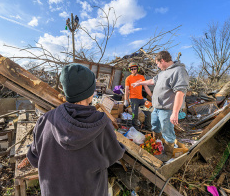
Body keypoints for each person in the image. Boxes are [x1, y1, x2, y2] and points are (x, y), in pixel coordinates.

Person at [27, 63, 125, 196]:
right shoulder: (101, 123)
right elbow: (114, 154)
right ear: (90, 94)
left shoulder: (45, 120)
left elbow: (34, 158)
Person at [132, 51, 189, 162]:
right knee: (154, 126)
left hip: (167, 109)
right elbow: (152, 81)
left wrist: (175, 112)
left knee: (167, 131)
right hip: (157, 108)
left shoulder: (179, 71)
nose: (157, 66)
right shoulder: (162, 72)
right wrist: (139, 83)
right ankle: (157, 144)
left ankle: (167, 153)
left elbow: (180, 92)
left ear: (162, 61)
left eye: (157, 63)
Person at [124, 62, 152, 130]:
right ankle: (135, 129)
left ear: (137, 69)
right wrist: (126, 100)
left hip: (141, 99)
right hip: (133, 99)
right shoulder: (128, 78)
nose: (133, 70)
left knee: (148, 112)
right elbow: (127, 90)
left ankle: (147, 127)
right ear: (130, 70)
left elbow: (146, 87)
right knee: (135, 114)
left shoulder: (141, 77)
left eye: (135, 69)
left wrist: (151, 96)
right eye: (132, 69)